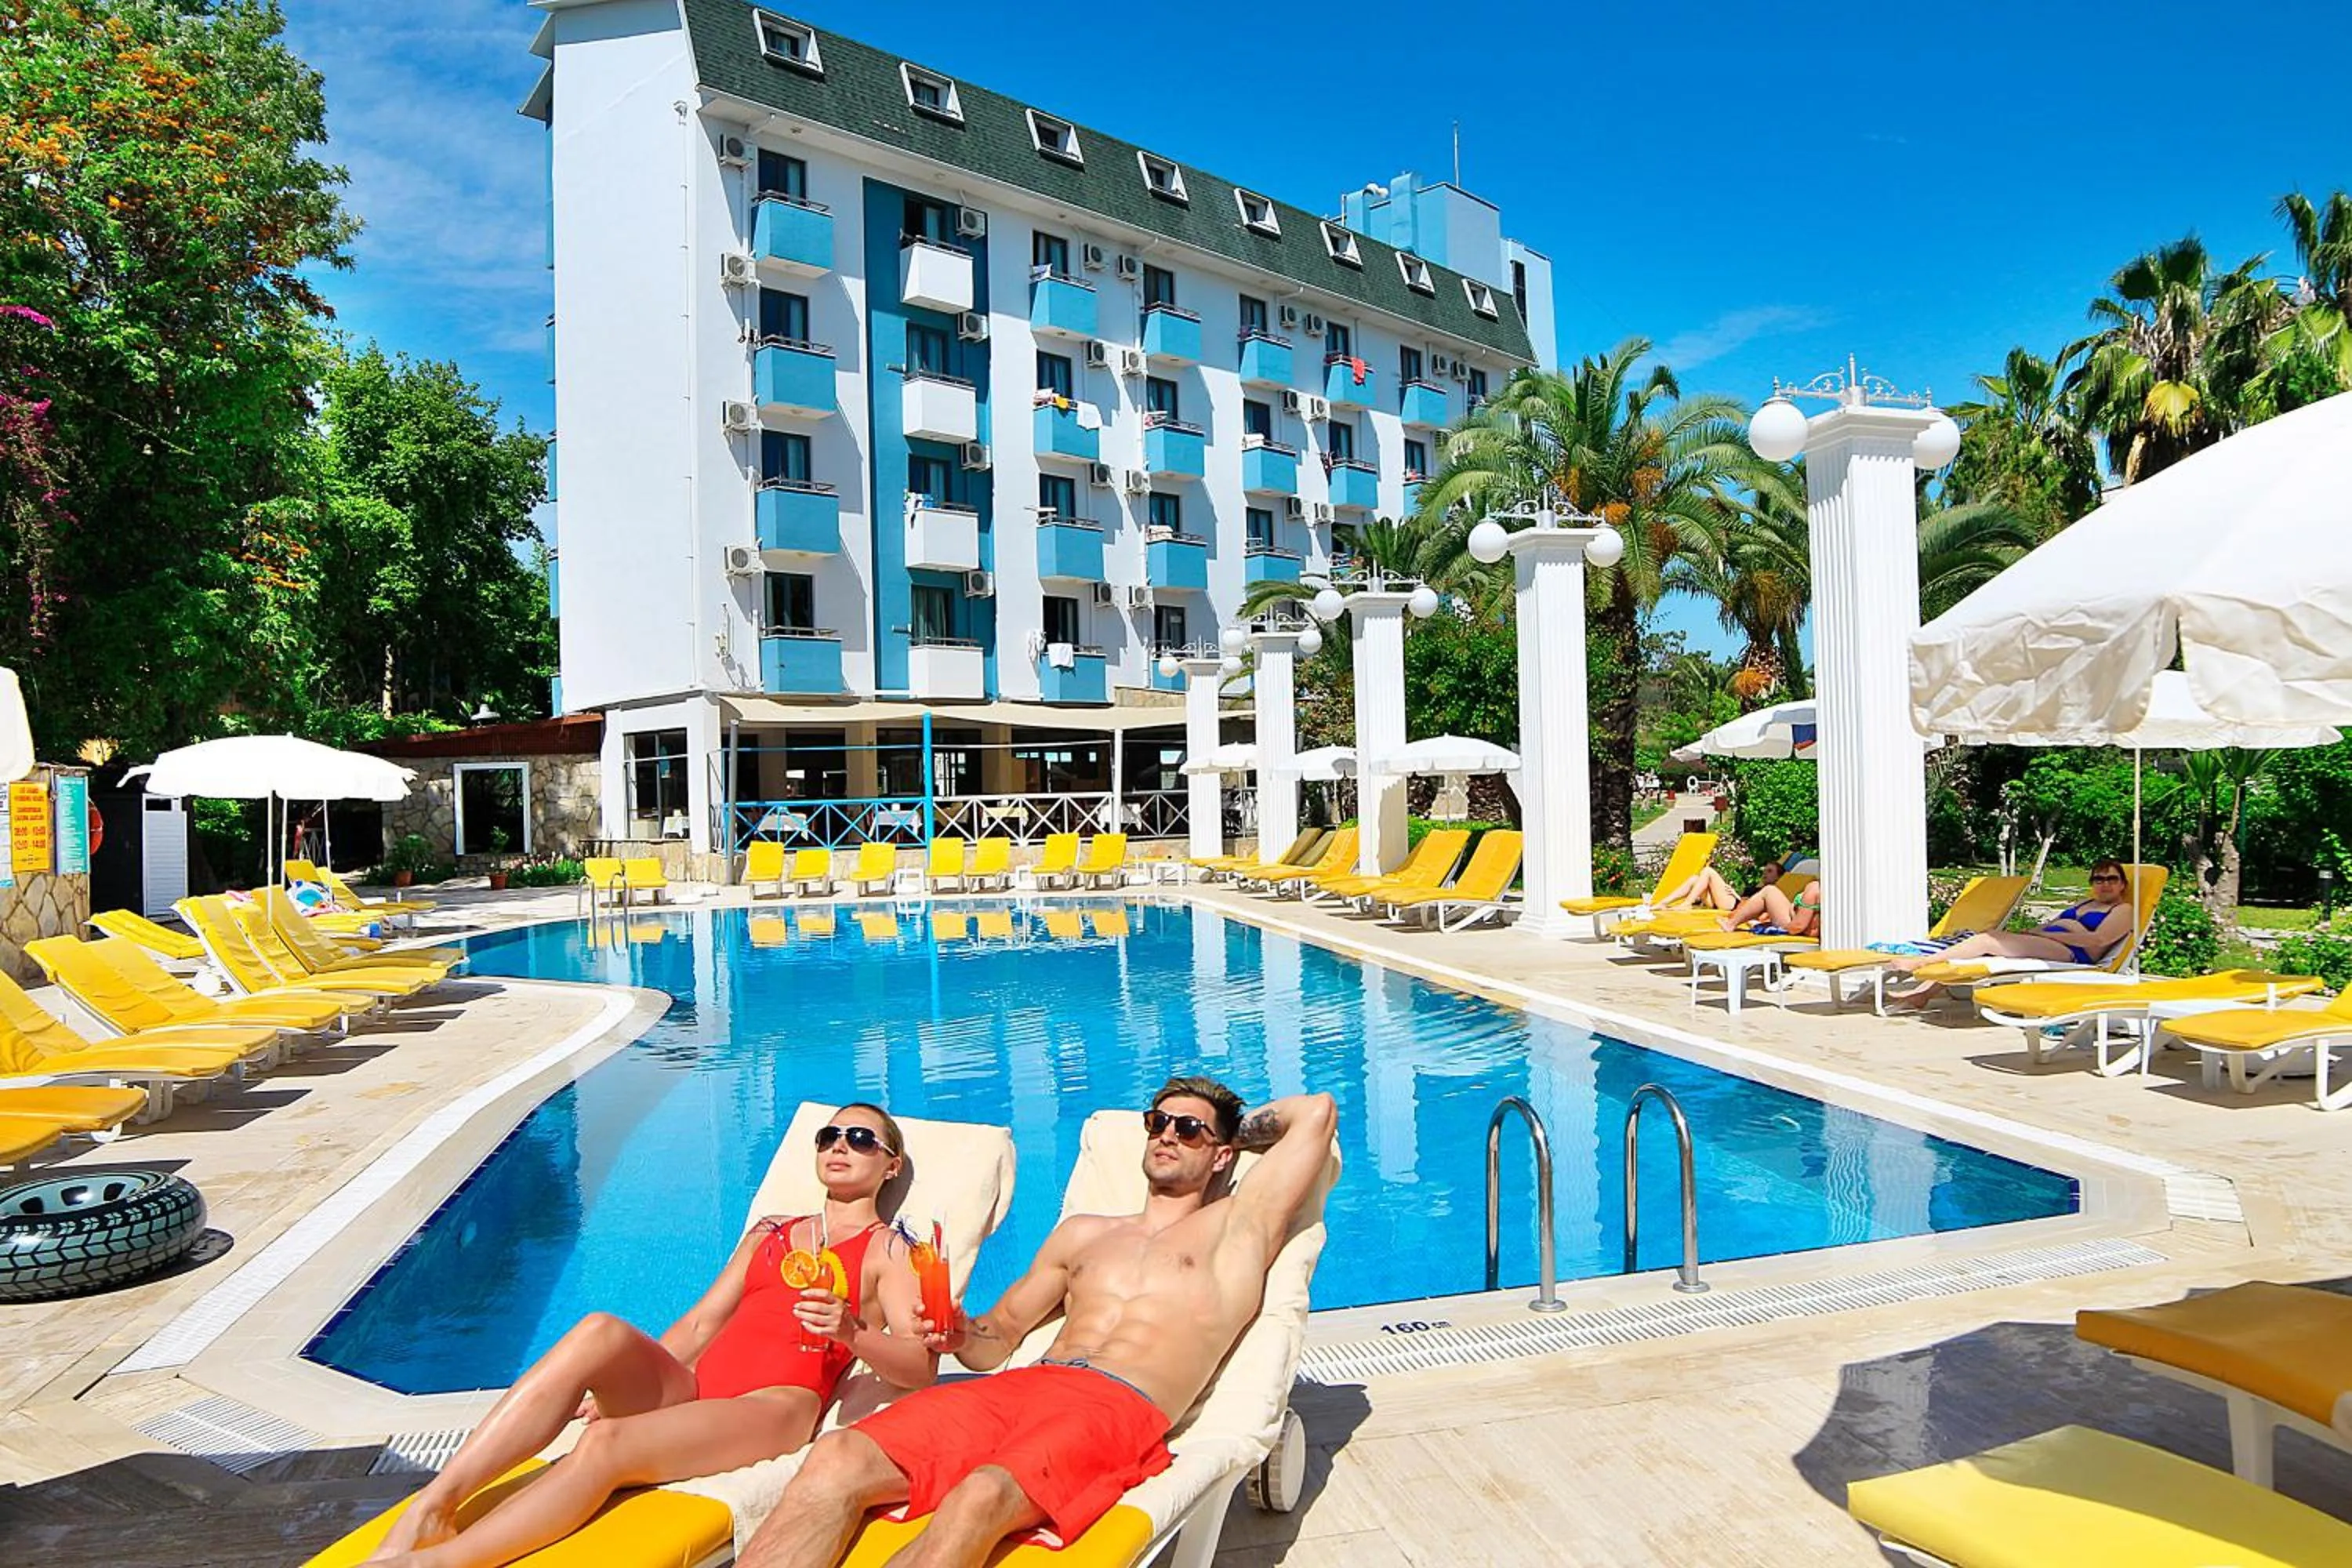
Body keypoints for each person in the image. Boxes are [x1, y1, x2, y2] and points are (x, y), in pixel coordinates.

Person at [738, 1078, 1338, 1568]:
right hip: (1021, 1386)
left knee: (980, 1496)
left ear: (1222, 1155)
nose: (1166, 1135)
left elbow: (1314, 1114)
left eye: (1188, 1129)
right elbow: (996, 1339)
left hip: (1117, 1404)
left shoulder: (1239, 1226)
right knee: (838, 1455)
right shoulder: (1084, 1234)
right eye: (1158, 1122)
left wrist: (1231, 1128)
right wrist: (958, 1332)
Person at [365, 1105, 936, 1568]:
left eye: (860, 1138)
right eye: (829, 1136)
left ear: (890, 1166)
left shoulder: (889, 1251)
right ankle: (434, 1505)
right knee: (598, 1330)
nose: (839, 1146)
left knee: (604, 1445)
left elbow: (918, 1367)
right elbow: (702, 1323)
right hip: (695, 1389)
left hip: (772, 1406)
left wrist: (853, 1332)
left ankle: (441, 1563)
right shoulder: (772, 1232)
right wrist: (623, 1383)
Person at [1886, 859, 2138, 1007]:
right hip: (2051, 942)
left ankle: (1923, 962)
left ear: (2123, 885)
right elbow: (2053, 925)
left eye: (2112, 879)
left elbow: (2097, 942)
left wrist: (2058, 933)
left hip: (2074, 954)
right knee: (1985, 946)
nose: (2105, 884)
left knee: (1986, 941)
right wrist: (2034, 932)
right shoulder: (2085, 904)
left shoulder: (2123, 909)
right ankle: (1924, 993)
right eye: (2099, 879)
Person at [1653, 860, 1785, 915]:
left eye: (1770, 871)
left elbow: (1757, 909)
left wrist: (1737, 896)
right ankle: (1663, 903)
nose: (1765, 873)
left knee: (1708, 871)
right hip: (1727, 903)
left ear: (1778, 877)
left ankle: (1687, 903)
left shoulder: (1772, 892)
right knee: (1694, 879)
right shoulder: (1759, 887)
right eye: (1765, 870)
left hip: (1734, 906)